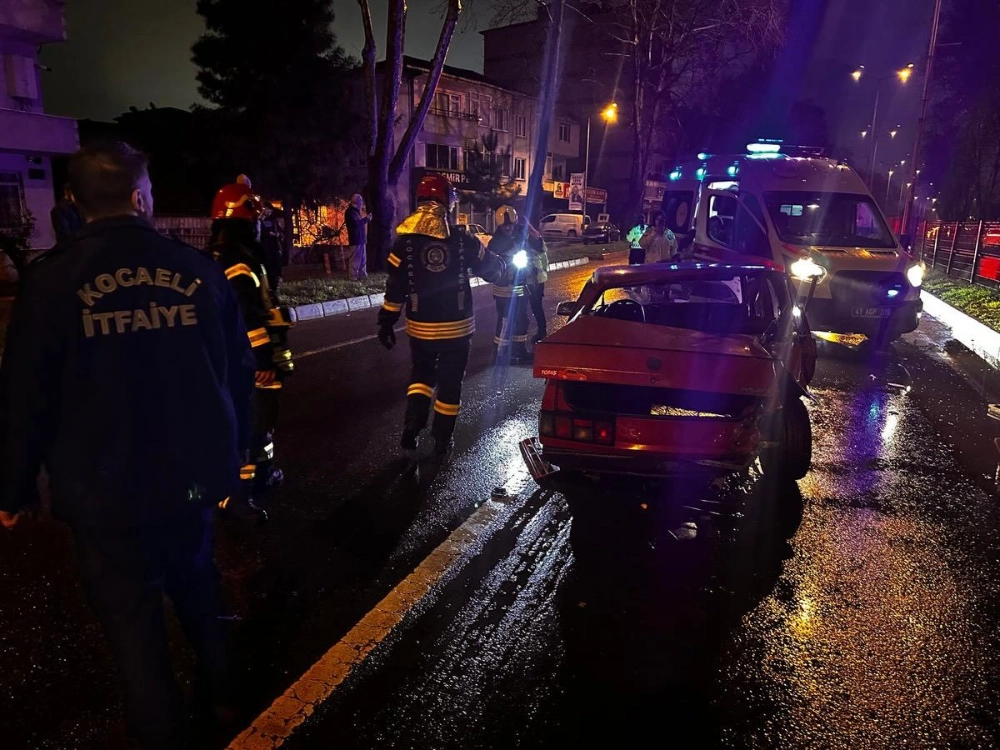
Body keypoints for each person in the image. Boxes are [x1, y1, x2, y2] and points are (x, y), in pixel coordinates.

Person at [0, 141, 253, 748]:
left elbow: (24, 394)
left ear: (72, 200)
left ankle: (159, 729)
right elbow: (238, 373)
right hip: (189, 479)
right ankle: (224, 698)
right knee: (197, 584)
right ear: (141, 198)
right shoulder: (198, 271)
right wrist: (234, 454)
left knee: (132, 622)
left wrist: (14, 486)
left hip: (103, 489)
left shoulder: (49, 283)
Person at [377, 174, 505, 460]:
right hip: (457, 330)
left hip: (420, 328)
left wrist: (386, 320)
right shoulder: (462, 239)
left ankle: (413, 425)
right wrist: (503, 268)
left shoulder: (404, 243)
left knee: (421, 376)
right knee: (450, 383)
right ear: (447, 201)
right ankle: (442, 439)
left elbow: (395, 286)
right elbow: (492, 269)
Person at [209, 177, 296, 523]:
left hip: (241, 358)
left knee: (261, 422)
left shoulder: (227, 256)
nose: (260, 227)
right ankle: (238, 496)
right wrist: (262, 359)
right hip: (250, 361)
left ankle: (262, 474)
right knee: (252, 423)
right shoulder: (238, 261)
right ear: (243, 223)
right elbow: (247, 316)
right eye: (255, 221)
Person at [488, 205, 533, 363]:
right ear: (499, 225)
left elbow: (530, 252)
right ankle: (499, 353)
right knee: (505, 320)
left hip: (520, 285)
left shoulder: (520, 236)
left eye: (510, 225)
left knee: (522, 319)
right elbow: (491, 263)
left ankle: (519, 351)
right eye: (505, 226)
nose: (508, 228)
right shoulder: (495, 242)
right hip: (503, 288)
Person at [521, 215, 550, 344]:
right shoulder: (536, 237)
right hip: (538, 278)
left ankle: (540, 332)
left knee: (532, 306)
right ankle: (542, 331)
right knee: (536, 306)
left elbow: (532, 259)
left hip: (533, 278)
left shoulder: (528, 239)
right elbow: (544, 258)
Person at [345, 193, 371, 280]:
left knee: (362, 260)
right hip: (356, 239)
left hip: (361, 239)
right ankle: (353, 277)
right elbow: (356, 224)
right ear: (357, 202)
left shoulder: (356, 212)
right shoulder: (350, 212)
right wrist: (366, 219)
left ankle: (362, 275)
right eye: (361, 201)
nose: (362, 203)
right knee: (355, 260)